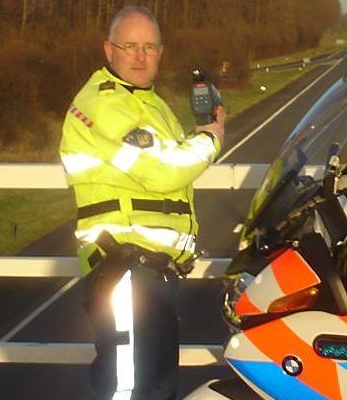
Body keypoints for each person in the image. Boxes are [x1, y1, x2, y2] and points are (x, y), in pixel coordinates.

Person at [59, 6, 225, 400]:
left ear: (161, 52)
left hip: (153, 274)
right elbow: (164, 172)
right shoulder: (104, 104)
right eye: (129, 45)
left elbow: (165, 169)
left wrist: (196, 134)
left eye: (149, 47)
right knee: (129, 389)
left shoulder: (150, 104)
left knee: (156, 388)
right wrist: (211, 138)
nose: (139, 56)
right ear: (108, 50)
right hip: (124, 269)